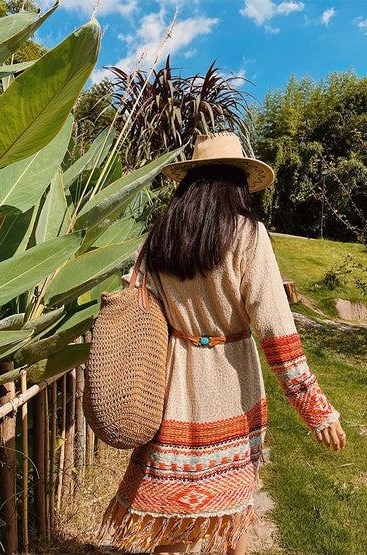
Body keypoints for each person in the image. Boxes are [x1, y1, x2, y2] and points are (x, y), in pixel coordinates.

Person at [99, 132, 346, 555]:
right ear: (237, 183)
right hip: (233, 385)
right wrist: (316, 410)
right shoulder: (248, 236)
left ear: (189, 184)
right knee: (233, 516)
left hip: (171, 385)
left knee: (170, 516)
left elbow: (135, 297)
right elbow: (276, 330)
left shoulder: (160, 238)